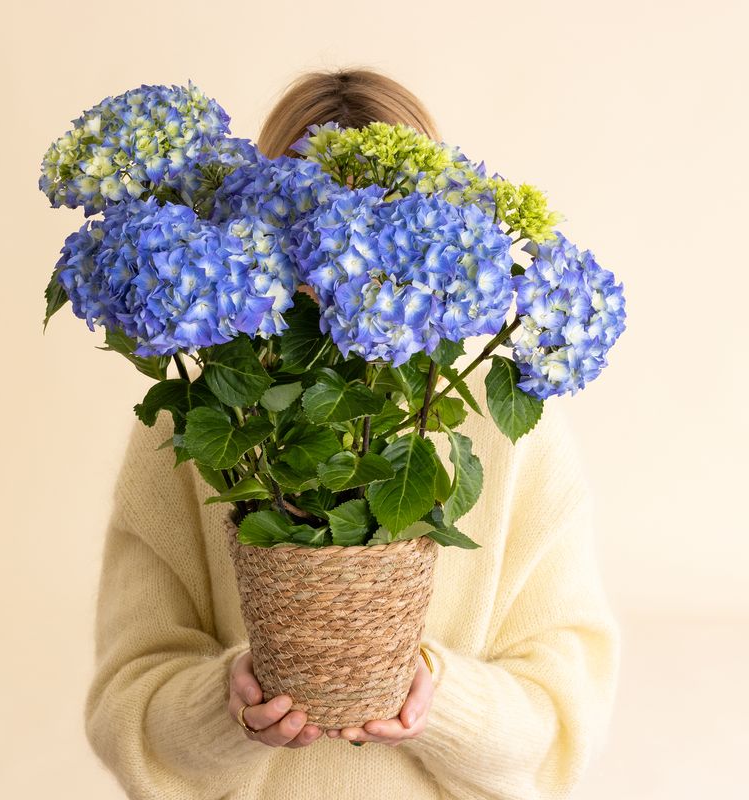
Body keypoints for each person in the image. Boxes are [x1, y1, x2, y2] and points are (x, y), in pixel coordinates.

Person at [83, 67, 621, 800]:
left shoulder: (509, 426)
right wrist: (225, 705)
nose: (346, 275)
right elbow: (127, 712)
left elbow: (566, 719)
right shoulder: (197, 420)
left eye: (385, 231)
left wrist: (437, 699)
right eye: (307, 230)